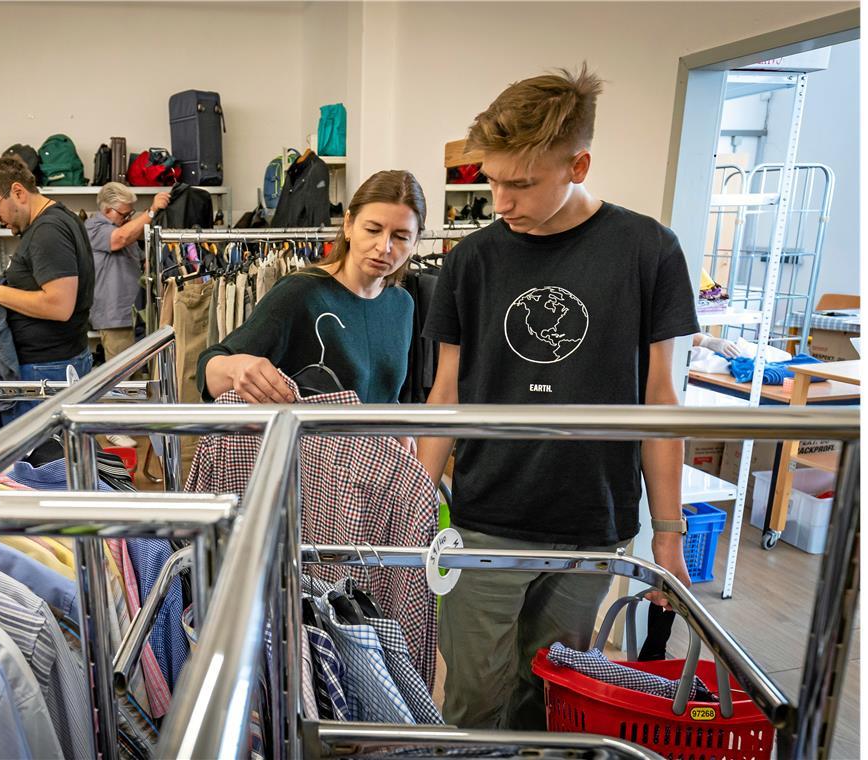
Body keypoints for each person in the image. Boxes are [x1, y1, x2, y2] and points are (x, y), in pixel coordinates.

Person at [416, 64, 701, 730]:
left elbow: (661, 399)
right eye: (491, 180)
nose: (502, 201)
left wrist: (668, 534)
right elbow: (445, 393)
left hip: (589, 522)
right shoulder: (473, 260)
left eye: (522, 183)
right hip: (485, 516)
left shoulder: (649, 250)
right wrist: (414, 504)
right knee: (471, 706)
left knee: (551, 699)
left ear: (579, 164)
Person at [197, 169, 425, 406]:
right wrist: (236, 368)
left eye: (401, 237)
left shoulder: (401, 304)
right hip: (308, 442)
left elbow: (386, 395)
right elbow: (209, 367)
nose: (383, 247)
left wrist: (398, 424)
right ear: (348, 225)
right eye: (373, 230)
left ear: (416, 241)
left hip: (379, 443)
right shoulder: (302, 292)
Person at [0, 157, 95, 412]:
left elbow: (59, 305)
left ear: (18, 192)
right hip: (52, 365)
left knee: (42, 451)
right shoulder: (55, 220)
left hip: (47, 369)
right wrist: (4, 281)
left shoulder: (48, 230)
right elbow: (43, 279)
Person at [86, 182, 170, 360]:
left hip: (137, 315)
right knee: (123, 382)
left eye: (130, 214)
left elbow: (136, 255)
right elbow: (120, 239)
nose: (127, 218)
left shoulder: (122, 229)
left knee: (140, 377)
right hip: (116, 319)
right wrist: (151, 211)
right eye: (124, 214)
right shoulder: (93, 227)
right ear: (108, 210)